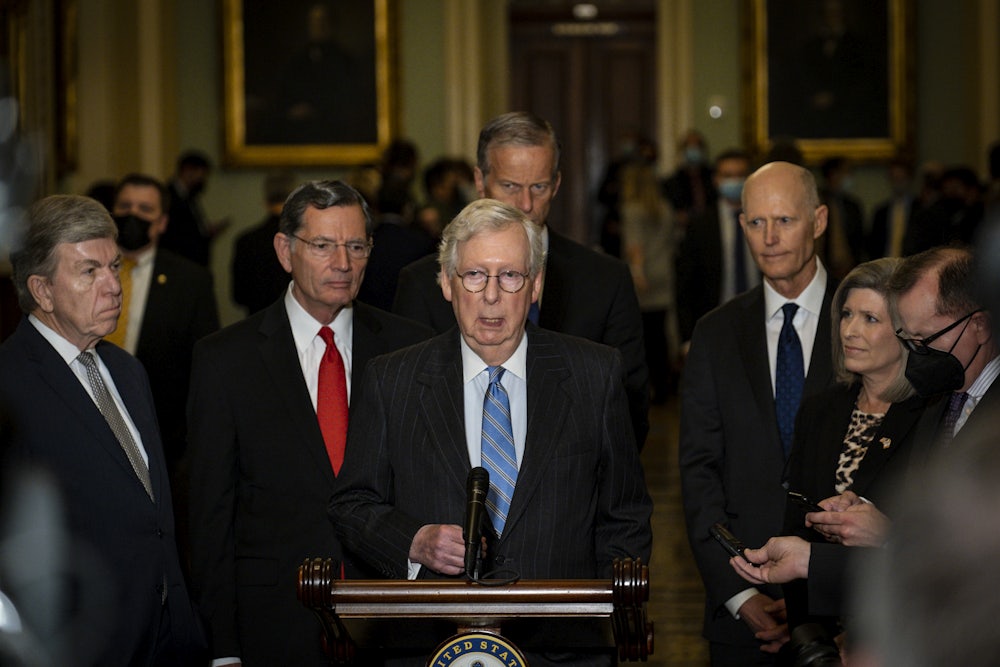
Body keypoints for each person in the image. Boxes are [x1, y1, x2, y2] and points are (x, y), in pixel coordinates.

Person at [329, 198, 652, 664]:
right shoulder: (392, 379)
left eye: (510, 276)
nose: (492, 296)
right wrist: (414, 541)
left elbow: (626, 514)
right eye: (475, 275)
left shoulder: (594, 374)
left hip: (562, 650)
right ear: (445, 282)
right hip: (429, 646)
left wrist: (609, 617)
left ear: (536, 284)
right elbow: (351, 505)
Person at [186, 180, 433, 667]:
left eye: (356, 246)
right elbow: (211, 515)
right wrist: (224, 649)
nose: (343, 263)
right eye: (323, 245)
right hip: (274, 625)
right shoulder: (224, 360)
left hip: (391, 623)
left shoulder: (410, 349)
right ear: (285, 250)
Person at [0, 194, 205, 665]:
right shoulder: (9, 387)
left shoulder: (128, 370)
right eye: (89, 271)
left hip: (167, 639)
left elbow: (155, 514)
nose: (114, 285)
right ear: (42, 290)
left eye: (115, 267)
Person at [392, 111, 650, 447]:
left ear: (556, 184)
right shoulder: (421, 283)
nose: (525, 204)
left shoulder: (605, 280)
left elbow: (628, 410)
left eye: (539, 187)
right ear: (480, 181)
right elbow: (404, 410)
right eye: (510, 186)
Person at [679, 161, 837, 666]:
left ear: (818, 221)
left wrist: (829, 594)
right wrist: (738, 593)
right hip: (743, 605)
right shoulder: (715, 333)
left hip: (846, 608)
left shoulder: (867, 322)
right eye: (755, 222)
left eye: (785, 221)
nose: (768, 238)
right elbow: (698, 470)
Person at [740, 259, 927, 636]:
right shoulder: (819, 409)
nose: (850, 330)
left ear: (907, 332)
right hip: (819, 628)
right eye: (846, 314)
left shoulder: (931, 414)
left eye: (870, 319)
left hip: (897, 631)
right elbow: (796, 528)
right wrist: (804, 634)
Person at [109, 173, 219, 463]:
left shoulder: (191, 281)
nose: (133, 215)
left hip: (160, 435)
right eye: (125, 206)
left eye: (145, 210)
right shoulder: (84, 269)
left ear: (162, 223)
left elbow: (204, 363)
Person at [891, 246, 999, 449]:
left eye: (925, 338)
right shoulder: (933, 399)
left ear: (980, 325)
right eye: (909, 338)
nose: (917, 353)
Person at [675, 148, 757, 345]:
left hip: (761, 323)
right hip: (715, 325)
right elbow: (685, 285)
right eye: (728, 175)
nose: (734, 181)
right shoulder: (701, 225)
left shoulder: (767, 221)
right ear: (716, 179)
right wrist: (687, 338)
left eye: (740, 175)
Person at [620, 156, 679, 403]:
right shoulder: (665, 208)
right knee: (661, 336)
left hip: (643, 278)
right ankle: (666, 385)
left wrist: (636, 272)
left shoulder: (632, 209)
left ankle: (648, 389)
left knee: (643, 339)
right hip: (664, 274)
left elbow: (635, 247)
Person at [232, 170, 298, 315]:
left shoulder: (246, 241)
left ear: (265, 201)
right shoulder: (303, 240)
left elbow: (239, 297)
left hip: (257, 326)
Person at [159, 150, 226, 267]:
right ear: (188, 170)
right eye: (202, 174)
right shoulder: (168, 197)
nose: (203, 179)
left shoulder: (190, 197)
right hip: (179, 264)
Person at [817, 156, 865, 280]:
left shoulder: (853, 205)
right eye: (846, 172)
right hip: (823, 269)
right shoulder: (817, 203)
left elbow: (860, 240)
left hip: (851, 270)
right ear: (833, 175)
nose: (850, 177)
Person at [867, 156, 918, 259]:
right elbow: (873, 244)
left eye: (901, 178)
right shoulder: (881, 212)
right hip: (885, 266)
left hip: (912, 266)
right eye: (894, 178)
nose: (897, 183)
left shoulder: (921, 209)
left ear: (909, 178)